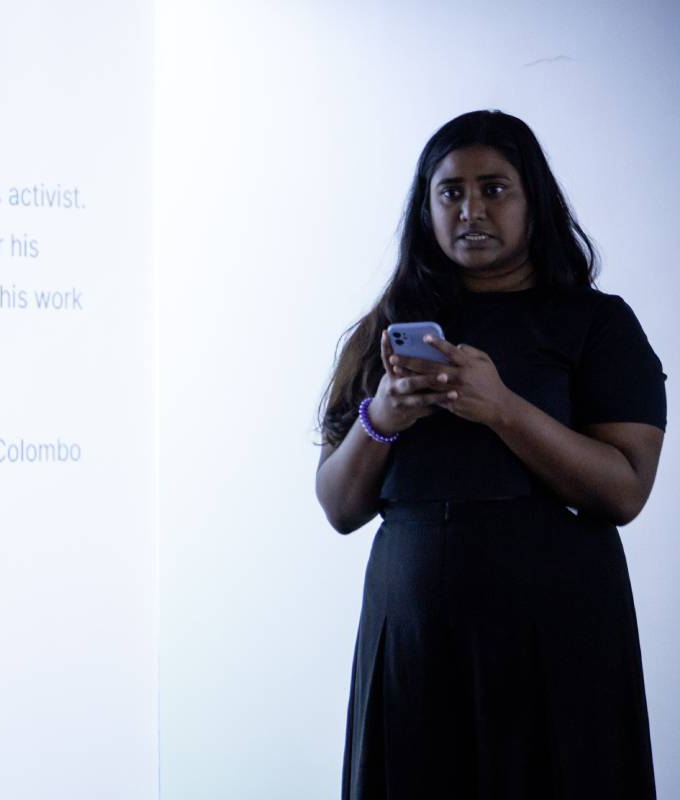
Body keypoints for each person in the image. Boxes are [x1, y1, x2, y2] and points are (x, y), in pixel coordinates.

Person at [316, 110, 666, 799]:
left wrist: (501, 407)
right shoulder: (385, 329)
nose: (470, 210)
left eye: (494, 189)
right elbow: (339, 508)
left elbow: (625, 490)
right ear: (426, 209)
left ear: (534, 200)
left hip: (557, 632)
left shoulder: (599, 323)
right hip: (412, 634)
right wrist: (382, 418)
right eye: (450, 192)